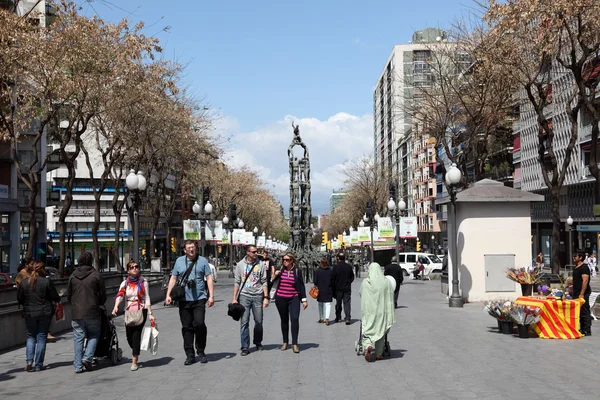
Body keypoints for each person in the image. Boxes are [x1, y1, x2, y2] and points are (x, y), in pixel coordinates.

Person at [165, 240, 214, 365]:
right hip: (183, 300)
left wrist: (211, 296)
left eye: (193, 247)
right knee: (187, 328)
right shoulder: (179, 261)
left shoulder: (203, 261)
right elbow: (173, 278)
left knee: (200, 324)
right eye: (189, 248)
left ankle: (201, 351)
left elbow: (209, 277)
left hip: (199, 299)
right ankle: (190, 355)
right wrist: (168, 295)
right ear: (185, 250)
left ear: (195, 248)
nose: (191, 250)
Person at [66, 252, 107, 373]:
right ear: (91, 261)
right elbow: (103, 296)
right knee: (94, 335)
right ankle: (87, 357)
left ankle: (78, 366)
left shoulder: (73, 276)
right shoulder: (96, 275)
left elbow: (69, 294)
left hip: (77, 312)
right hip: (93, 311)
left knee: (78, 338)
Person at [17, 261, 60, 372]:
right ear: (42, 270)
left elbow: (19, 298)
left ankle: (29, 361)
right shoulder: (46, 282)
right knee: (41, 337)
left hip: (29, 313)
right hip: (44, 312)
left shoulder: (24, 282)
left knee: (31, 335)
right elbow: (55, 296)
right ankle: (38, 364)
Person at [112, 260, 154, 371]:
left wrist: (150, 313)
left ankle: (134, 361)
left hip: (141, 310)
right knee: (129, 336)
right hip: (129, 311)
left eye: (136, 266)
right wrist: (116, 306)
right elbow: (120, 295)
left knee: (136, 334)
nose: (134, 268)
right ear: (128, 270)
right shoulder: (125, 283)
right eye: (131, 267)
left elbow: (147, 297)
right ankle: (135, 348)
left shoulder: (143, 282)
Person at [231, 245, 269, 356]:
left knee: (259, 321)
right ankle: (245, 347)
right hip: (244, 296)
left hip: (257, 296)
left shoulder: (261, 264)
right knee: (244, 322)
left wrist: (266, 297)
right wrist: (234, 298)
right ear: (247, 252)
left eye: (256, 251)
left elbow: (264, 281)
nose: (256, 253)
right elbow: (237, 281)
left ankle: (258, 342)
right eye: (254, 252)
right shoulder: (240, 265)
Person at [271, 252, 307, 353]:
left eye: (287, 260)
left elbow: (301, 285)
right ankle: (285, 342)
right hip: (281, 298)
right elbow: (270, 282)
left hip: (294, 298)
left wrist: (304, 300)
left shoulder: (297, 271)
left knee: (294, 319)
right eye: (283, 260)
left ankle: (294, 343)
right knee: (284, 320)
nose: (284, 261)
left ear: (292, 261)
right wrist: (274, 275)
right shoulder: (280, 270)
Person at [360, 263, 396, 362]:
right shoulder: (386, 282)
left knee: (367, 329)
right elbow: (391, 294)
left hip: (369, 312)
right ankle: (379, 354)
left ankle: (368, 345)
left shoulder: (366, 282)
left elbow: (361, 293)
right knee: (381, 331)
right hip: (382, 311)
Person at [572, 251, 592, 336]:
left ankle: (587, 329)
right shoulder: (576, 267)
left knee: (584, 311)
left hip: (582, 293)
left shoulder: (584, 267)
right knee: (579, 311)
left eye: (575, 256)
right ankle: (582, 328)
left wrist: (582, 293)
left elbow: (585, 281)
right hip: (576, 292)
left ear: (580, 257)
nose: (573, 257)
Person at [332, 253, 354, 325]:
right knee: (347, 303)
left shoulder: (336, 267)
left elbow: (333, 278)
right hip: (347, 288)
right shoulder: (349, 267)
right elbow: (352, 277)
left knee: (338, 303)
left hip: (338, 288)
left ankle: (338, 317)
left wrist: (333, 287)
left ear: (338, 258)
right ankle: (347, 318)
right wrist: (348, 282)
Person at [313, 257, 333, 325]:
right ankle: (327, 318)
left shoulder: (318, 271)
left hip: (320, 290)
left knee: (320, 304)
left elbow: (315, 281)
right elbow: (332, 281)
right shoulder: (330, 271)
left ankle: (321, 318)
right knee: (328, 304)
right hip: (328, 289)